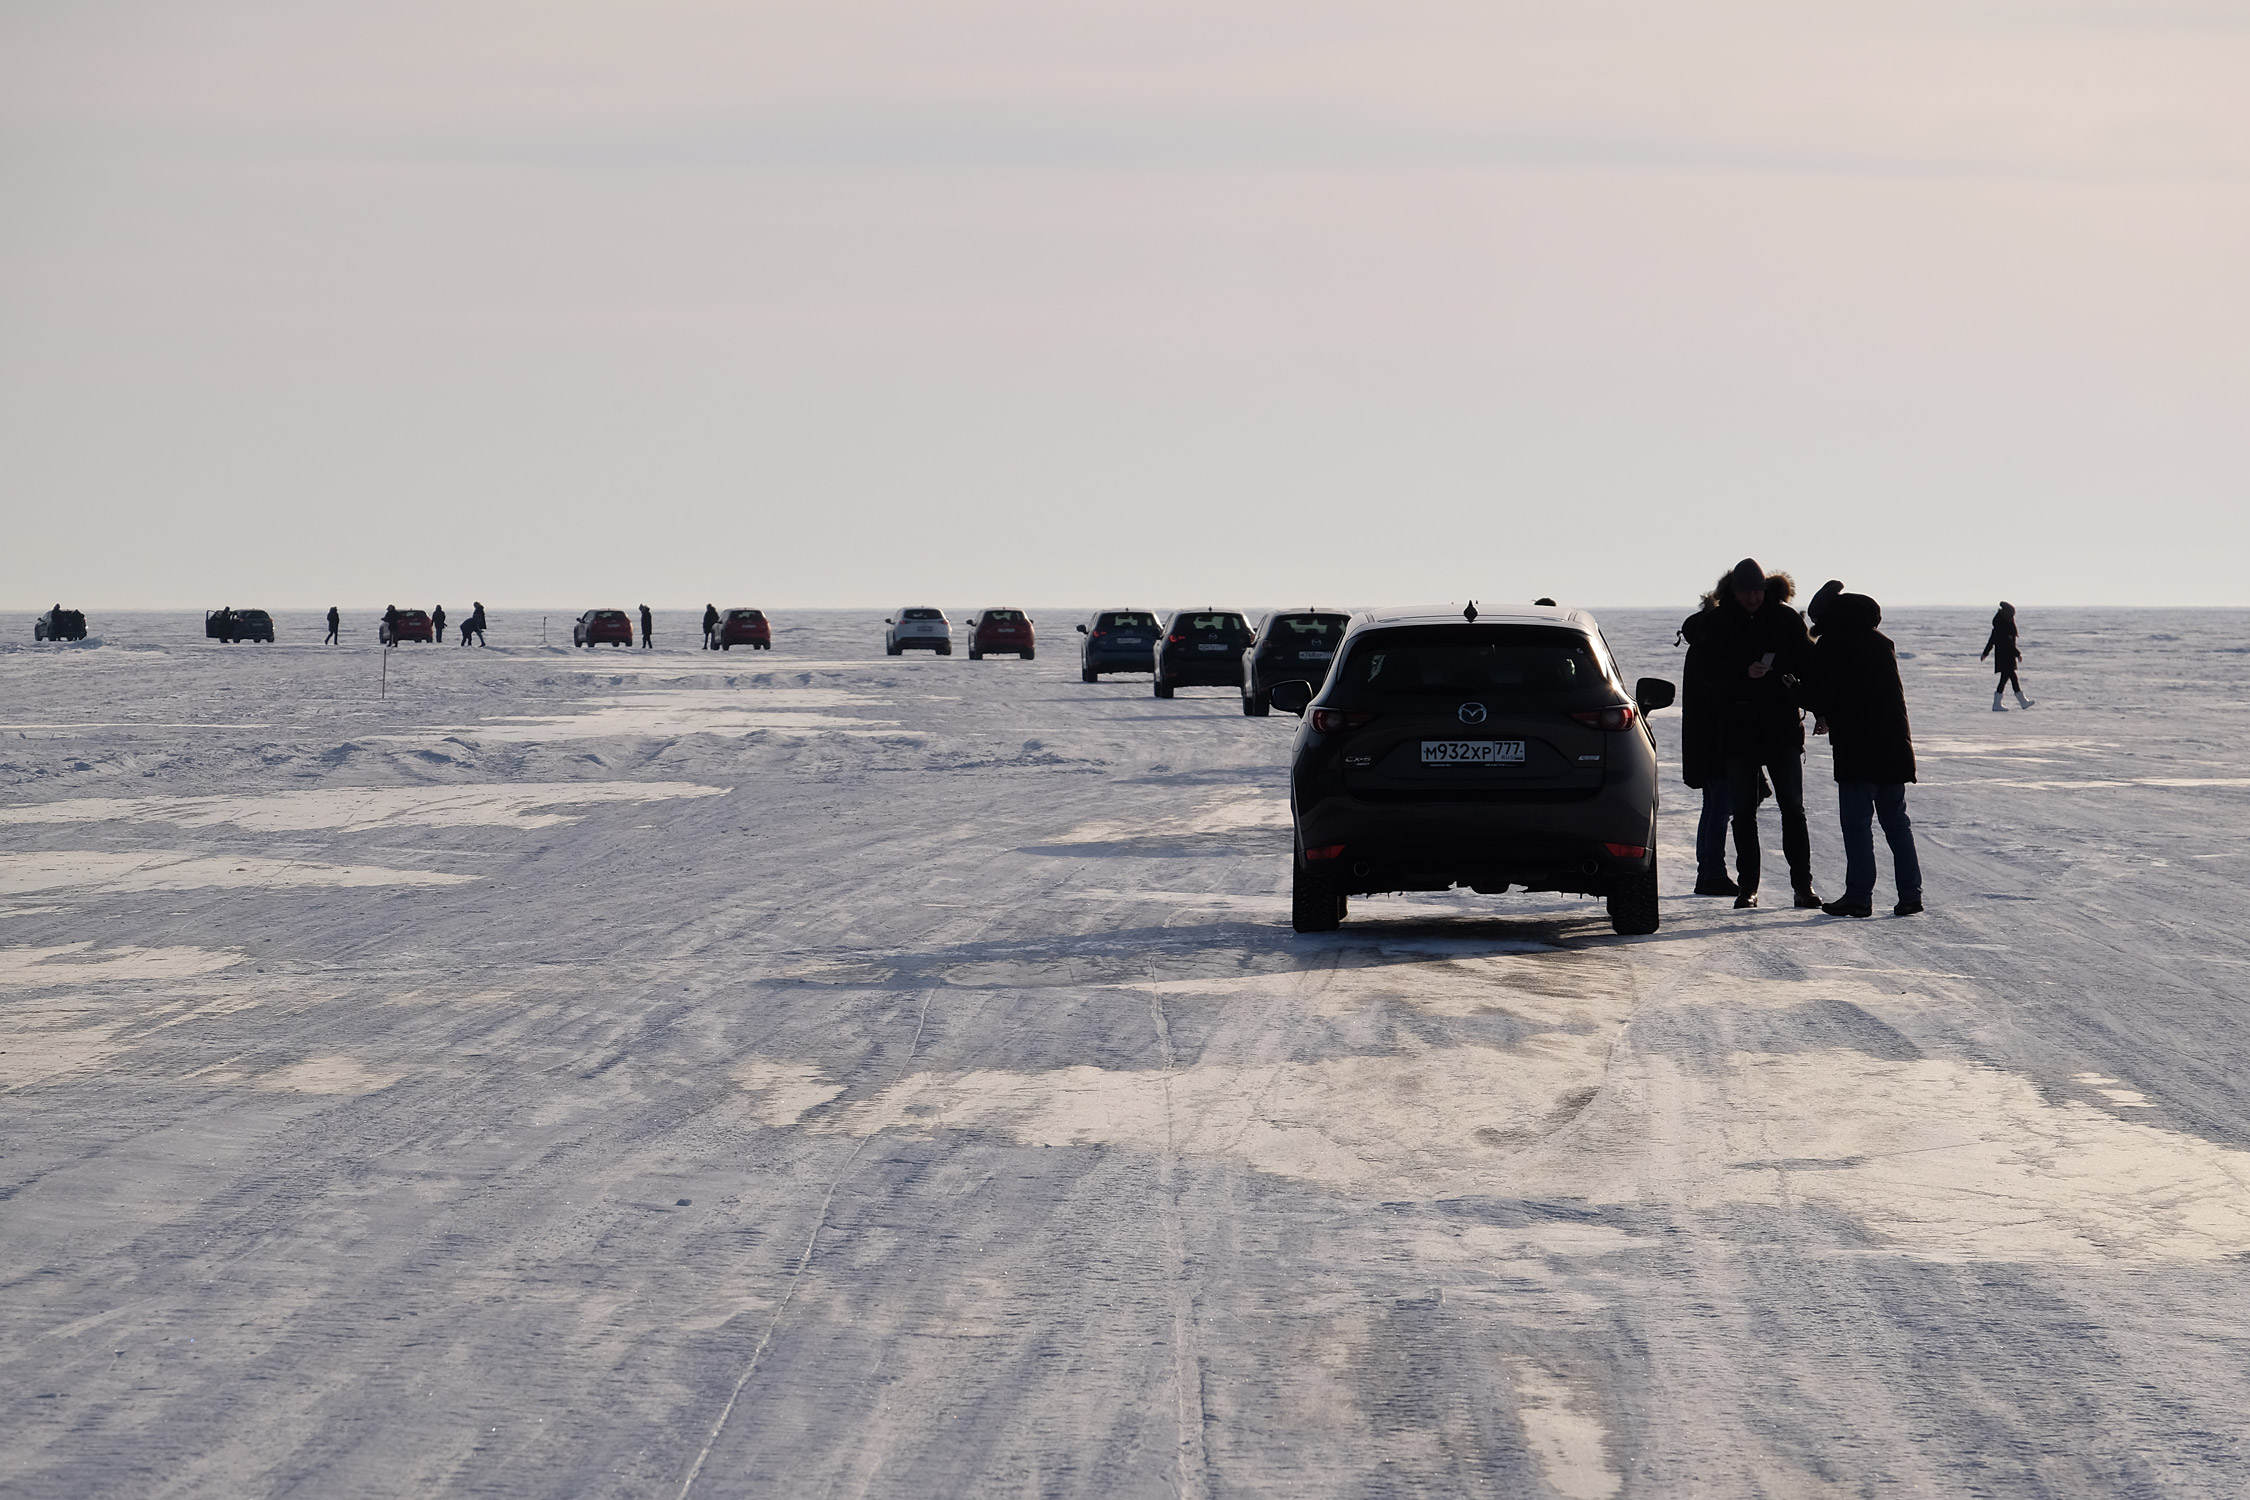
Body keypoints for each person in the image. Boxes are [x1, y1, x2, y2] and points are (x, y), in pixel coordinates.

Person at [1689, 558, 1820, 909]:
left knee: (1793, 808)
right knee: (1744, 812)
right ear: (1734, 591)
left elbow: (1808, 663)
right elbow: (1704, 670)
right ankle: (1748, 887)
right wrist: (1741, 672)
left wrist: (1807, 697)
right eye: (1746, 592)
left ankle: (1802, 886)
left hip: (1781, 728)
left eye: (1758, 592)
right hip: (1738, 730)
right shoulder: (1717, 622)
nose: (1753, 598)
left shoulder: (1785, 618)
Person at [1806, 580, 1923, 917]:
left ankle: (1858, 896)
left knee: (1857, 827)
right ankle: (1910, 895)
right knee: (1897, 824)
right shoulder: (1881, 643)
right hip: (1894, 750)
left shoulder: (1835, 645)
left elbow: (1818, 694)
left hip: (1858, 752)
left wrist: (1790, 688)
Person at [1676, 589, 1739, 895]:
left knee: (1713, 804)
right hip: (1718, 739)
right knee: (1721, 805)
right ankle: (1712, 871)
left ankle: (1709, 870)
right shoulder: (1710, 647)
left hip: (1704, 740)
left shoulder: (1699, 645)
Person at [1981, 601, 2032, 711]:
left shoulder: (2002, 625)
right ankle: (2002, 703)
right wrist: (2017, 654)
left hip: (2004, 657)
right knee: (2008, 678)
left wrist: (1985, 653)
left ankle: (2020, 701)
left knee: (2010, 678)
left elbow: (1992, 641)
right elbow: (2006, 643)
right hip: (2006, 657)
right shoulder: (2003, 626)